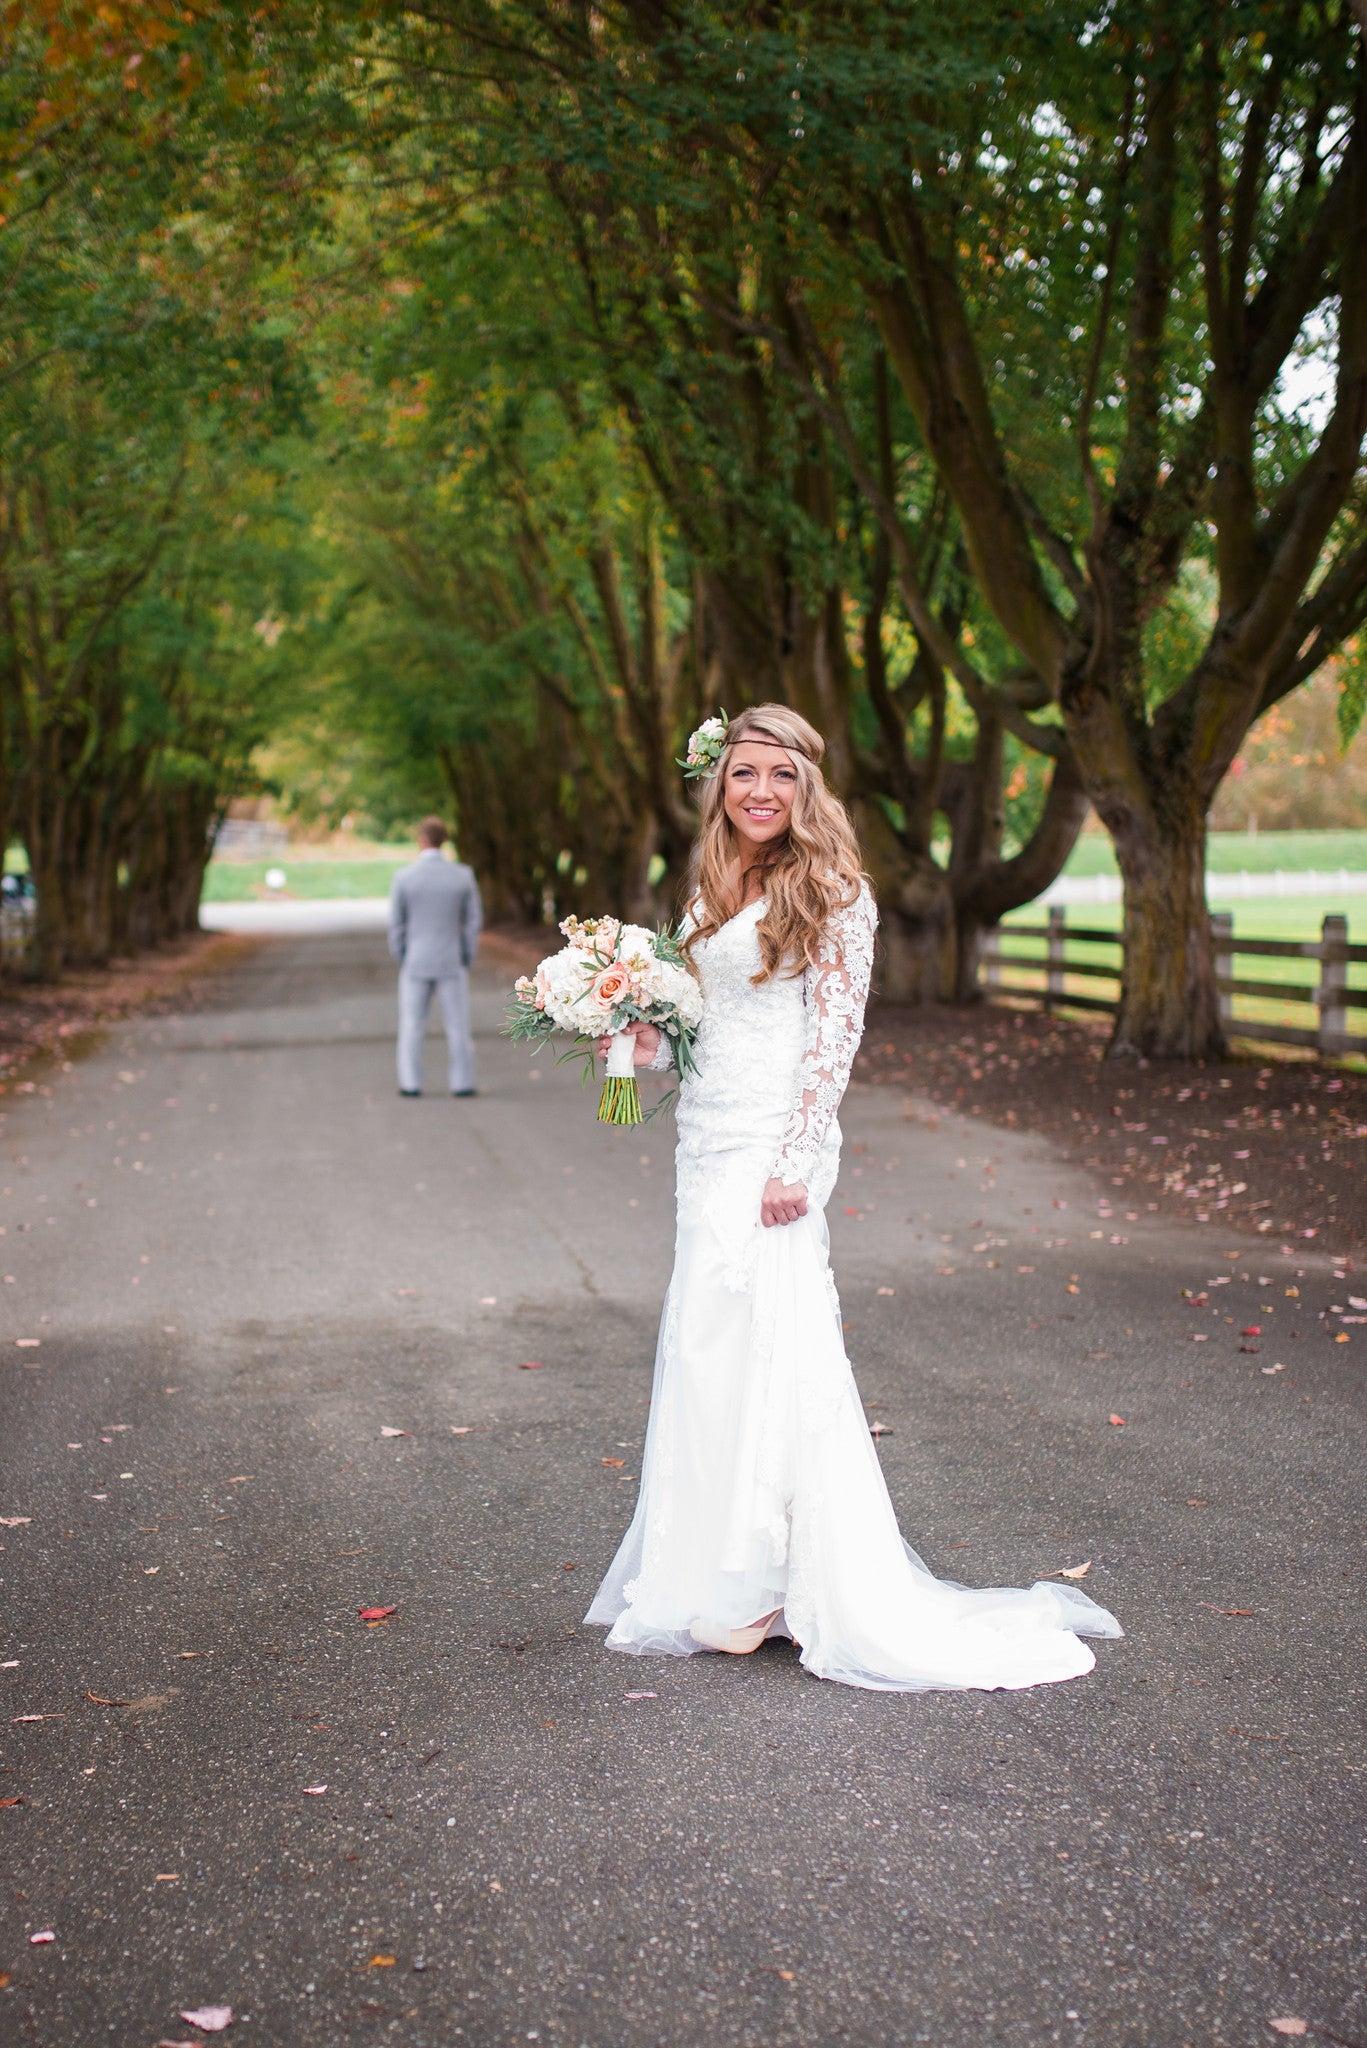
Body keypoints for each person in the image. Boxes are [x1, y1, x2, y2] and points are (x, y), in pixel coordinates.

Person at [586, 704, 1121, 1691]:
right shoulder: (706, 889)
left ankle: (764, 1582)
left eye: (777, 776)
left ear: (805, 786)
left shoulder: (834, 892)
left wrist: (796, 1161)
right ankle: (719, 1567)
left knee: (772, 1348)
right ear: (720, 784)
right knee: (707, 1347)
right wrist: (623, 1038)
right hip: (703, 1149)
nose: (757, 791)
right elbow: (685, 1039)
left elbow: (831, 1041)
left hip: (769, 1157)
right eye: (742, 773)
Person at [388, 817, 482, 1098]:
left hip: (415, 961)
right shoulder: (462, 875)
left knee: (411, 1026)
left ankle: (410, 1082)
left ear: (422, 839)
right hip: (451, 960)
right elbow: (472, 921)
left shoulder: (404, 877)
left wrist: (402, 955)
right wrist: (466, 954)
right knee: (458, 1027)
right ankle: (462, 1082)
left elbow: (397, 924)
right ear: (445, 840)